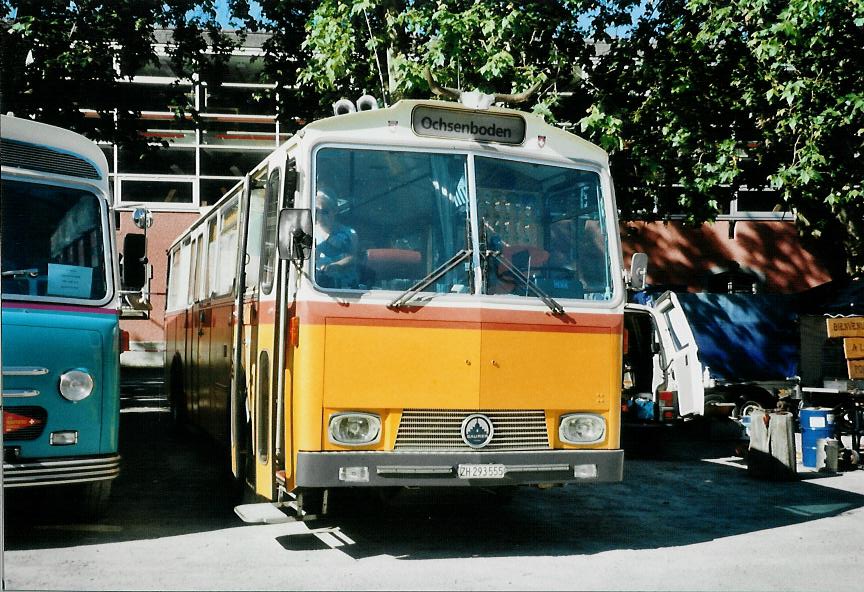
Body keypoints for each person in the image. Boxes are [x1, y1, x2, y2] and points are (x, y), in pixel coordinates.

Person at [314, 190, 359, 288]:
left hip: (344, 288)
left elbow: (353, 258)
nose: (320, 216)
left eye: (325, 211)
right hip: (317, 286)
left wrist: (337, 265)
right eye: (316, 211)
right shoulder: (309, 233)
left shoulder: (350, 233)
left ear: (334, 211)